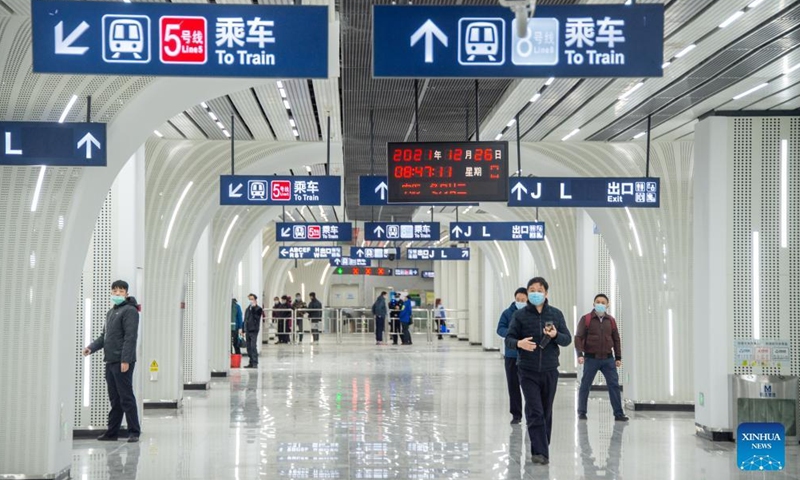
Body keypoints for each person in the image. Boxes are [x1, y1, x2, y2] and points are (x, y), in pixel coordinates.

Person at [505, 277, 572, 466]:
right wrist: (519, 343)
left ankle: (541, 445)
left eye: (539, 290)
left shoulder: (556, 314)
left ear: (546, 293)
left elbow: (567, 339)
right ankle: (540, 451)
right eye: (532, 290)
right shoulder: (519, 316)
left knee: (546, 410)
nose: (536, 293)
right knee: (535, 410)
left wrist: (556, 335)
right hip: (527, 370)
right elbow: (508, 338)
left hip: (550, 370)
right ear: (527, 293)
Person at [82, 280, 142, 443]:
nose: (117, 293)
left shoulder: (130, 311)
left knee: (126, 397)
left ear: (126, 294)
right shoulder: (111, 313)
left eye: (120, 291)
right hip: (110, 360)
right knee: (115, 398)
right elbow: (105, 337)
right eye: (114, 291)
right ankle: (112, 432)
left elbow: (130, 338)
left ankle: (134, 431)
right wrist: (91, 348)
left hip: (122, 361)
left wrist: (125, 360)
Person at [575, 294, 628, 422]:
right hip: (591, 359)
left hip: (608, 359)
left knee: (614, 385)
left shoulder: (611, 321)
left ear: (607, 305)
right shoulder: (586, 319)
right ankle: (582, 412)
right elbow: (578, 337)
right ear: (593, 304)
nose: (600, 304)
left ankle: (618, 414)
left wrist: (618, 357)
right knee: (585, 385)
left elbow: (616, 339)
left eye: (603, 302)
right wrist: (580, 354)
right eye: (598, 302)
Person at [496, 287, 528, 425]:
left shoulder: (530, 313)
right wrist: (511, 333)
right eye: (518, 300)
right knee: (513, 385)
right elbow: (500, 329)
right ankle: (516, 414)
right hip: (512, 355)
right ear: (515, 299)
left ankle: (531, 413)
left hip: (527, 355)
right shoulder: (507, 313)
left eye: (523, 300)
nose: (520, 302)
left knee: (528, 386)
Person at [243, 293, 263, 368]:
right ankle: (251, 362)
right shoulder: (248, 309)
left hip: (254, 330)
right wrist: (243, 329)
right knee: (248, 347)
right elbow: (245, 319)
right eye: (249, 299)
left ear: (255, 300)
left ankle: (255, 362)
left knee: (253, 346)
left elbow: (257, 318)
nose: (250, 301)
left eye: (252, 299)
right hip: (248, 330)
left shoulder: (258, 309)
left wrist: (254, 308)